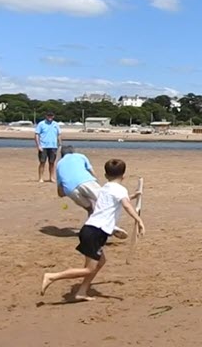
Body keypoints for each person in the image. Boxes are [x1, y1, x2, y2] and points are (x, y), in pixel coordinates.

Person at [41, 158, 144, 301]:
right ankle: (52, 276)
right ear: (123, 176)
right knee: (89, 268)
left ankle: (82, 291)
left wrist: (133, 196)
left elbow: (119, 200)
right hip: (96, 232)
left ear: (106, 176)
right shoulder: (120, 190)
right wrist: (138, 220)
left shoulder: (105, 188)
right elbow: (125, 205)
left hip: (89, 229)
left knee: (99, 263)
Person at [35, 111, 61, 183]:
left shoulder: (56, 124)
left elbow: (59, 135)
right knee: (42, 162)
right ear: (46, 116)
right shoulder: (41, 124)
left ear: (53, 116)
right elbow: (37, 135)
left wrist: (60, 144)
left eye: (51, 116)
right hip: (43, 146)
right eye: (48, 116)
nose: (50, 117)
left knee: (52, 162)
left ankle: (51, 177)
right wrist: (38, 145)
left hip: (53, 146)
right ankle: (40, 178)